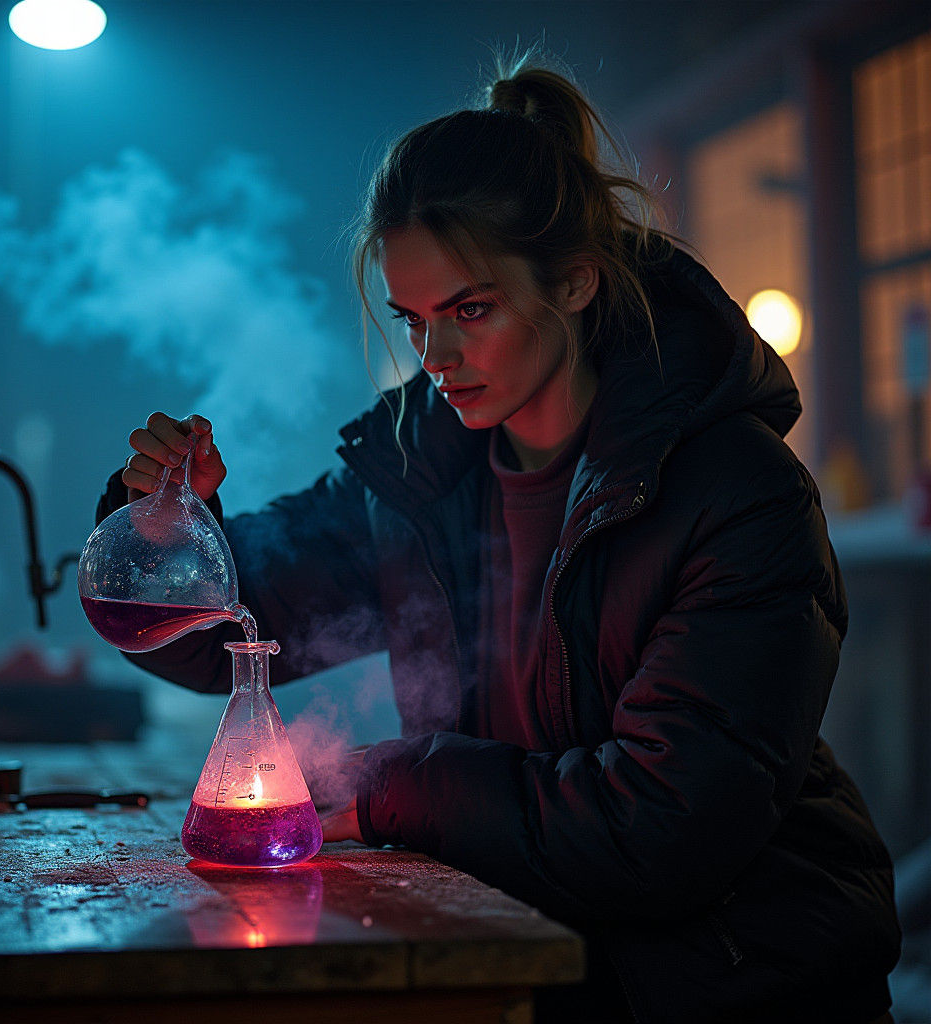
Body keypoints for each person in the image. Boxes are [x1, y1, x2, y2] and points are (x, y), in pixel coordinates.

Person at [95, 52, 901, 1023]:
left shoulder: (739, 497)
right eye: (413, 319)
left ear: (572, 283)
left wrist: (395, 782)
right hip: (522, 963)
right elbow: (225, 637)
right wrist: (167, 521)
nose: (434, 357)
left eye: (468, 311)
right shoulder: (414, 477)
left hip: (737, 985)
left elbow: (658, 832)